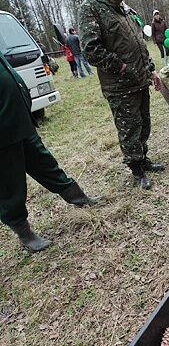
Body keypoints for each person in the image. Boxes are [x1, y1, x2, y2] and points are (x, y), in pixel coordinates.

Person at [0, 51, 100, 252]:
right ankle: (25, 234)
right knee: (10, 185)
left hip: (20, 121)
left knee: (46, 164)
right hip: (3, 135)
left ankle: (79, 198)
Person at [79, 0, 164, 190]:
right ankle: (136, 171)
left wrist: (152, 70)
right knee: (129, 129)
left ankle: (143, 160)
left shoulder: (123, 8)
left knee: (144, 125)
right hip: (120, 86)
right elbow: (90, 50)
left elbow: (139, 42)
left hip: (140, 80)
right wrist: (121, 67)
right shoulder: (91, 9)